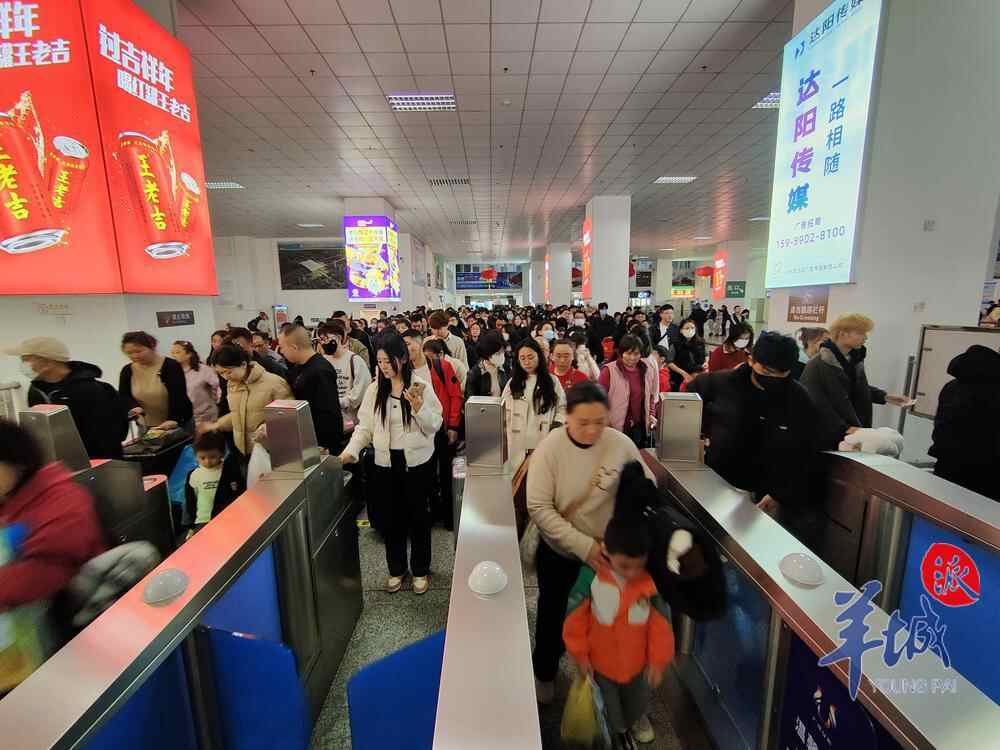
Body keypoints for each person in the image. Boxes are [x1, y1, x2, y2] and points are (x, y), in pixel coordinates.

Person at [525, 384, 656, 709]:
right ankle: (545, 672)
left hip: (610, 554)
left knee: (614, 620)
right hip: (560, 550)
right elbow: (539, 507)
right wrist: (585, 547)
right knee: (552, 614)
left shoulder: (620, 444)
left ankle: (617, 694)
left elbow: (647, 486)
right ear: (567, 417)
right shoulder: (550, 449)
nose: (592, 430)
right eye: (583, 422)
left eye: (600, 421)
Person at [689, 332, 822, 540]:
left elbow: (805, 452)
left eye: (781, 373)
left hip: (767, 496)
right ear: (751, 360)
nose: (773, 378)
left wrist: (780, 494)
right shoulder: (720, 384)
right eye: (767, 371)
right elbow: (685, 404)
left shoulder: (799, 400)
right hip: (719, 485)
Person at [338, 335, 443, 595]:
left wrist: (418, 408)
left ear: (403, 358)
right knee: (391, 518)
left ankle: (420, 569)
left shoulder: (419, 386)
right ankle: (396, 569)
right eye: (380, 362)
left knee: (419, 518)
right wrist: (350, 452)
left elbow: (434, 424)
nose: (384, 366)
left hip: (417, 463)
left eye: (388, 361)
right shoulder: (375, 390)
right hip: (385, 463)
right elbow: (365, 427)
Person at [563, 507, 674, 750]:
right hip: (601, 665)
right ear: (606, 551)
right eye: (624, 566)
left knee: (637, 701)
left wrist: (658, 661)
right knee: (609, 707)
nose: (632, 573)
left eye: (638, 566)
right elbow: (574, 621)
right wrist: (580, 656)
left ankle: (634, 720)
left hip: (637, 665)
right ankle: (619, 732)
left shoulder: (650, 586)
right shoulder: (591, 579)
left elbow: (661, 626)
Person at [0, 418, 105, 670]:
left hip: (71, 642)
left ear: (16, 462)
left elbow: (44, 574)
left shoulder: (63, 499)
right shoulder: (9, 499)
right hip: (22, 648)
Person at [800, 314, 911, 451]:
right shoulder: (817, 364)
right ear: (843, 334)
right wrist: (845, 428)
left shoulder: (854, 361)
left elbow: (855, 388)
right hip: (830, 435)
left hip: (856, 432)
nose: (865, 338)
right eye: (861, 333)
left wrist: (885, 396)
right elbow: (816, 402)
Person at [6, 337, 127, 460]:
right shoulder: (36, 390)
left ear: (47, 361)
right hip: (58, 461)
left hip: (96, 461)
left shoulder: (92, 389)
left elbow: (110, 434)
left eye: (26, 360)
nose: (24, 365)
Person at [404, 329, 464, 529]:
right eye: (403, 345)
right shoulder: (405, 371)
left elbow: (455, 396)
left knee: (446, 474)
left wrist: (453, 425)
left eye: (410, 343)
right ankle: (429, 514)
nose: (407, 348)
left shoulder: (441, 366)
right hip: (419, 431)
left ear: (420, 343)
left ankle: (449, 517)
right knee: (425, 475)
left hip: (442, 428)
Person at [929, 345, 1000, 500]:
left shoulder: (951, 386)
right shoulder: (995, 391)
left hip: (946, 467)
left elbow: (941, 425)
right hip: (987, 479)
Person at [199, 344, 293, 460]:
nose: (225, 377)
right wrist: (216, 425)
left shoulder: (274, 383)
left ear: (243, 364)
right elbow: (237, 415)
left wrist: (267, 427)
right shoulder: (232, 385)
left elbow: (288, 416)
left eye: (228, 372)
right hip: (244, 450)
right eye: (221, 373)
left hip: (270, 451)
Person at [278, 324, 344, 454]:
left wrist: (326, 446)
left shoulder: (320, 370)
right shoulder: (299, 367)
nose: (281, 351)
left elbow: (330, 413)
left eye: (282, 347)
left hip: (320, 444)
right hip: (305, 438)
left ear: (294, 347)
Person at [502, 337, 567, 464]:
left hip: (543, 440)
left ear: (539, 356)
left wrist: (556, 426)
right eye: (522, 358)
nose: (527, 362)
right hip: (516, 444)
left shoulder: (552, 381)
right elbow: (502, 410)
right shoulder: (513, 383)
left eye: (530, 357)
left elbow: (562, 407)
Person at [118, 331, 193, 431]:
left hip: (176, 422)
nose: (135, 356)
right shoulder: (127, 370)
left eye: (138, 351)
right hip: (146, 424)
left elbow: (178, 396)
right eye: (129, 353)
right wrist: (134, 406)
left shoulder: (170, 366)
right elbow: (124, 395)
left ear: (152, 347)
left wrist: (174, 419)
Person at [599, 335, 659, 448]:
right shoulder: (609, 371)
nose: (632, 358)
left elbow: (650, 396)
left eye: (636, 354)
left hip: (639, 427)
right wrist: (606, 423)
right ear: (621, 353)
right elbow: (599, 401)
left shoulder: (646, 369)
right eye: (628, 353)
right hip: (614, 428)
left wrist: (651, 414)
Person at [182, 430, 244, 538]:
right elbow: (190, 501)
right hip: (203, 520)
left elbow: (239, 493)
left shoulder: (230, 471)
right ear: (196, 456)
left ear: (222, 454)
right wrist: (191, 526)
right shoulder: (194, 475)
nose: (207, 461)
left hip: (228, 519)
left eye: (212, 457)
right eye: (202, 458)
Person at [318, 320, 370, 424]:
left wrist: (336, 403)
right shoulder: (322, 361)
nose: (323, 343)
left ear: (339, 338)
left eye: (326, 339)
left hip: (351, 421)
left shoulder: (355, 360)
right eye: (321, 340)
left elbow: (359, 393)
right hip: (329, 419)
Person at [170, 341, 221, 425]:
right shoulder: (172, 372)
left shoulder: (203, 370)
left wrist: (216, 399)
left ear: (189, 354)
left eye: (177, 352)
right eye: (172, 353)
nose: (174, 355)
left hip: (206, 417)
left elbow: (218, 386)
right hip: (184, 418)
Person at [465, 331, 508, 398]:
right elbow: (470, 398)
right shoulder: (475, 373)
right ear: (488, 353)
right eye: (497, 353)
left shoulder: (505, 368)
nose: (501, 355)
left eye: (503, 351)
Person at [667, 318, 706, 390]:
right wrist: (683, 373)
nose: (690, 330)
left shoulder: (700, 342)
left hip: (697, 375)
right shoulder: (675, 344)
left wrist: (705, 363)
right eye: (687, 328)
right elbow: (669, 362)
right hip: (679, 376)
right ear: (681, 330)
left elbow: (705, 356)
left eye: (692, 328)